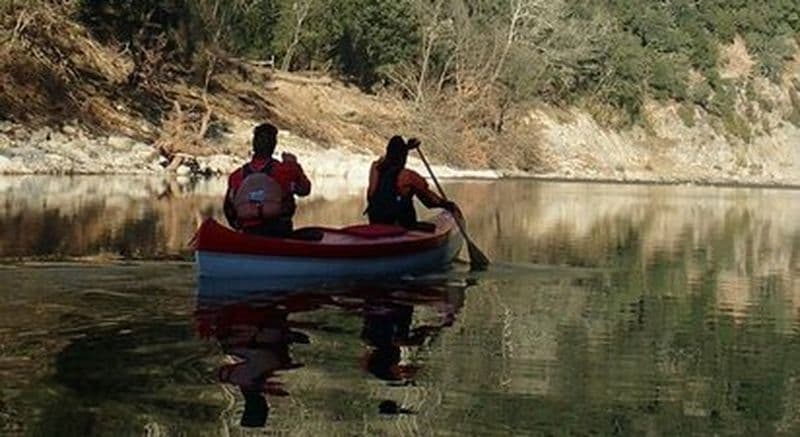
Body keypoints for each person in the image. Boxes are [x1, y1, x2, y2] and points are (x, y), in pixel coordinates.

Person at [224, 123, 311, 238]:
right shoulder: (287, 170)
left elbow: (229, 209)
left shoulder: (236, 176)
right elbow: (305, 190)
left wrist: (238, 226)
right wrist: (294, 165)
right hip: (280, 232)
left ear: (253, 144)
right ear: (274, 145)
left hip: (248, 232)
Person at [366, 136, 456, 229]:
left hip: (376, 222)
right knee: (431, 227)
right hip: (401, 226)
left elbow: (390, 158)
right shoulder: (409, 176)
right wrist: (445, 204)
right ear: (403, 156)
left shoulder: (375, 168)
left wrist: (407, 148)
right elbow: (429, 202)